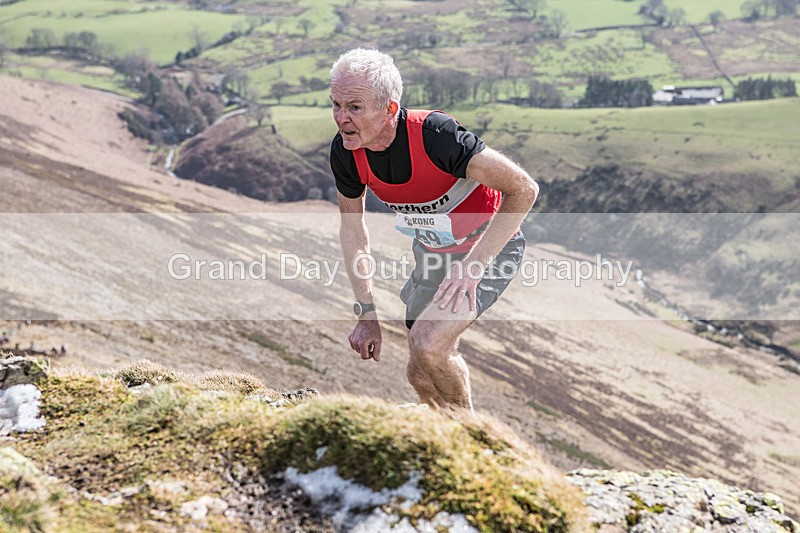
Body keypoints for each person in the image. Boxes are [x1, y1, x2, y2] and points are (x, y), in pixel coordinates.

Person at [329, 49, 539, 411]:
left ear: (390, 109)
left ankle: (472, 439)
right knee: (421, 374)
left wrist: (472, 267)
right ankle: (445, 435)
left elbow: (523, 189)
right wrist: (366, 313)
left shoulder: (435, 137)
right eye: (335, 104)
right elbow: (354, 232)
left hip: (489, 249)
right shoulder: (348, 152)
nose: (341, 118)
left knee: (429, 344)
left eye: (355, 107)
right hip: (433, 256)